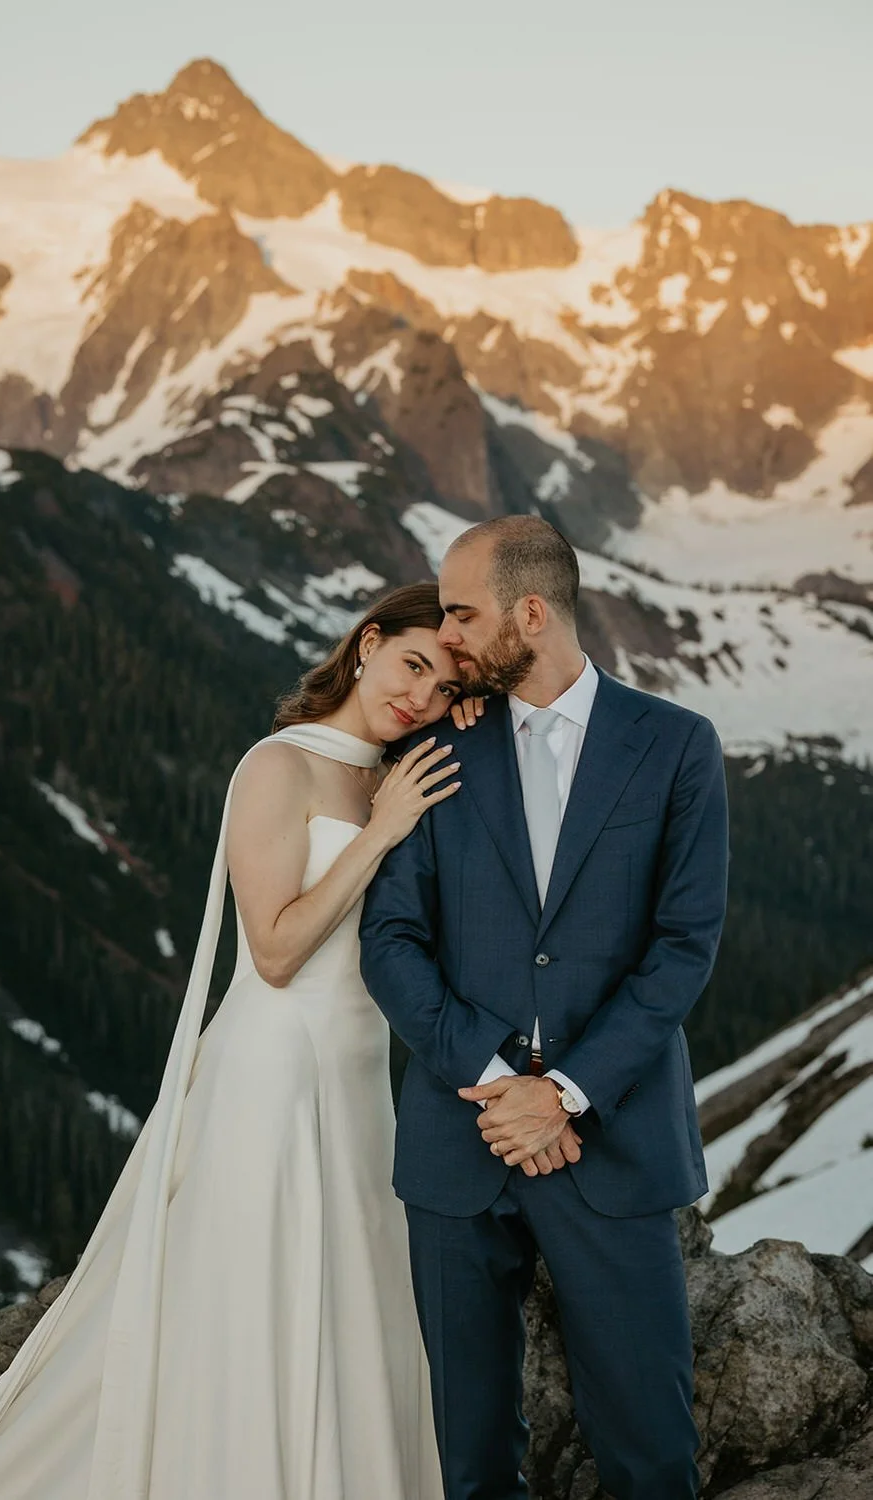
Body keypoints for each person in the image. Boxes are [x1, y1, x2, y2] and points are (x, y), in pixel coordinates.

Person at [0, 582, 472, 1500]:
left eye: (444, 685)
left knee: (350, 1306)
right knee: (254, 1308)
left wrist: (459, 733)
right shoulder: (280, 767)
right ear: (367, 644)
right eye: (413, 664)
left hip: (358, 1077)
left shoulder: (394, 766)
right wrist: (382, 830)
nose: (420, 696)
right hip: (275, 1069)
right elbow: (272, 949)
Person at [360, 516, 729, 1500]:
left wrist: (562, 1093)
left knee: (650, 1452)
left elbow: (682, 949)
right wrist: (494, 1082)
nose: (445, 638)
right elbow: (390, 941)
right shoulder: (433, 750)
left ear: (532, 612)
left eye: (461, 614)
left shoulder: (678, 749)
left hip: (615, 1141)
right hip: (455, 1144)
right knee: (469, 1461)